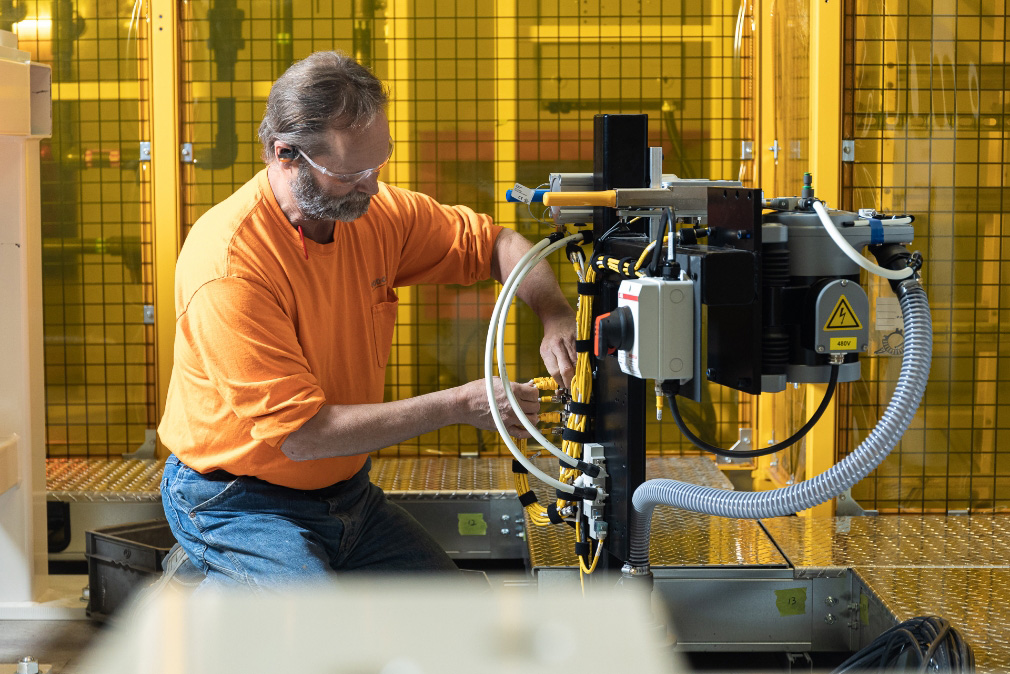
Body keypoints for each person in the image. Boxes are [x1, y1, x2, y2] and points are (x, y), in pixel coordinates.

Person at [156, 51, 576, 590]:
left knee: (459, 620)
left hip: (347, 494)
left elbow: (498, 244)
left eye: (378, 167)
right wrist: (461, 404)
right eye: (351, 173)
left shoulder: (371, 214)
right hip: (236, 501)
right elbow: (303, 436)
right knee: (316, 631)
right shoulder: (231, 266)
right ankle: (214, 594)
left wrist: (555, 313)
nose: (371, 188)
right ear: (286, 154)